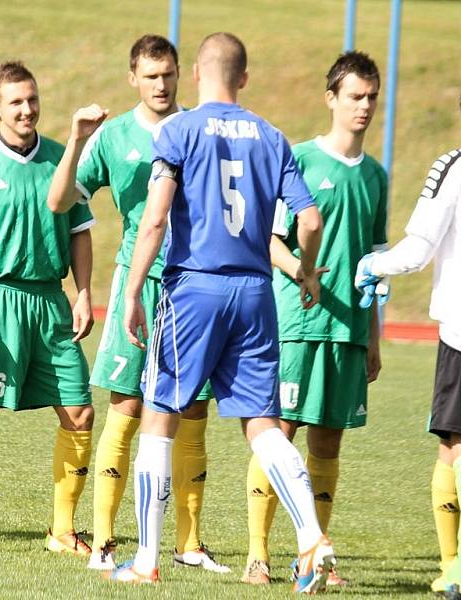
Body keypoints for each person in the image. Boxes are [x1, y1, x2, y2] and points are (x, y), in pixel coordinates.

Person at [108, 32, 335, 593]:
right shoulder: (272, 136)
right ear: (245, 78)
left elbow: (156, 220)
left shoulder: (179, 130)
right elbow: (309, 221)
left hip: (194, 291)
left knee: (159, 419)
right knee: (262, 424)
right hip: (256, 294)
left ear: (196, 75)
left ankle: (146, 559)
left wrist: (133, 291)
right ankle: (311, 539)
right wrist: (306, 272)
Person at [47, 34, 227, 574]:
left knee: (193, 411)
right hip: (138, 283)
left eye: (169, 73)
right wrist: (77, 140)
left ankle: (189, 544)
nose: (161, 84)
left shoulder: (198, 128)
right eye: (151, 75)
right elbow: (59, 201)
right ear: (133, 79)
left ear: (181, 75)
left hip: (191, 285)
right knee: (126, 408)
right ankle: (104, 543)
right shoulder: (114, 136)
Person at [243, 51, 387, 587]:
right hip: (297, 325)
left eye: (371, 97)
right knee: (279, 433)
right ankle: (257, 554)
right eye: (355, 96)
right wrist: (301, 273)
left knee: (328, 444)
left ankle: (315, 559)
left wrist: (373, 337)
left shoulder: (376, 175)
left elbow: (373, 264)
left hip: (348, 329)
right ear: (331, 98)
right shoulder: (299, 159)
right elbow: (270, 239)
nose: (364, 106)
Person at [0, 61, 96, 557]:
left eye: (32, 99)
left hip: (51, 301)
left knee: (79, 411)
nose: (26, 109)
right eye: (15, 102)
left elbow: (80, 231)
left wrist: (85, 292)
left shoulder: (60, 158)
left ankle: (62, 530)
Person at [355, 97, 461, 598]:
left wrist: (371, 266)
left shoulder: (452, 167)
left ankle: (454, 566)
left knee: (454, 448)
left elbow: (418, 250)